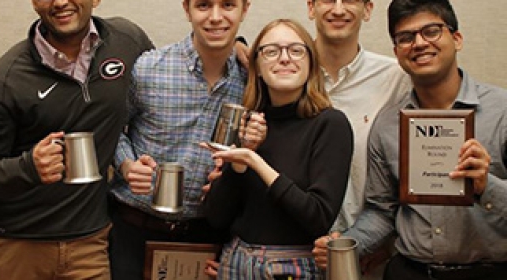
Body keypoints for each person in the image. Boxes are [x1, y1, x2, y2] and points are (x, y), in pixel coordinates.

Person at [312, 0, 507, 279]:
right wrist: (346, 245)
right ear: (397, 52)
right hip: (409, 271)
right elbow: (382, 210)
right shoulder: (389, 124)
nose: (419, 43)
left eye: (431, 31)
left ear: (457, 38)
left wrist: (488, 186)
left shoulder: (502, 111)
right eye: (406, 37)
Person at [0, 0, 153, 279]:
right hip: (15, 247)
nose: (61, 2)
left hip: (90, 246)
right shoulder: (7, 78)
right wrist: (28, 167)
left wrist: (235, 48)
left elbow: (169, 70)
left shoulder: (126, 41)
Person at [108, 0, 253, 279]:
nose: (215, 17)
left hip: (208, 236)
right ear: (186, 9)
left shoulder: (253, 80)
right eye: (203, 5)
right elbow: (112, 130)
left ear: (244, 9)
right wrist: (127, 165)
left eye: (228, 5)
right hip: (135, 231)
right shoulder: (149, 67)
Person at [202, 18, 353, 280]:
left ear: (311, 64)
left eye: (296, 50)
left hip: (292, 267)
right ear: (257, 67)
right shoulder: (246, 123)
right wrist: (238, 164)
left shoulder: (330, 124)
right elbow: (216, 218)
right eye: (271, 51)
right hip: (235, 261)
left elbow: (318, 218)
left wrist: (255, 162)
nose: (284, 59)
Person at [307, 0, 412, 277]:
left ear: (367, 9)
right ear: (310, 7)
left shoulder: (396, 79)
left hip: (367, 255)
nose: (339, 9)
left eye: (350, 0)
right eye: (328, 0)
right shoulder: (285, 70)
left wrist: (377, 243)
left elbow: (410, 173)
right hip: (291, 256)